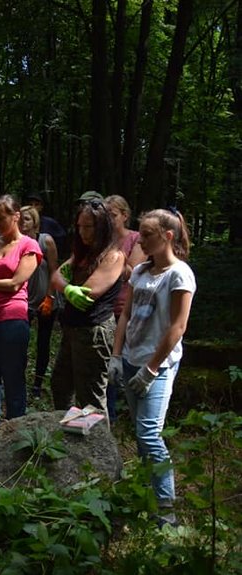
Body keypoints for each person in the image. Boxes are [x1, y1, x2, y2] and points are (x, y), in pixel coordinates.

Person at [111, 209, 195, 527]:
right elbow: (125, 315)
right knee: (141, 433)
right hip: (132, 358)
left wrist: (152, 369)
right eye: (142, 234)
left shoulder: (179, 274)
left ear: (168, 236)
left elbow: (178, 326)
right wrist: (117, 357)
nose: (141, 240)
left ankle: (166, 511)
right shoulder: (141, 271)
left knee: (149, 433)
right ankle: (145, 496)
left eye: (147, 235)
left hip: (157, 365)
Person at [49, 200, 124, 415]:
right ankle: (69, 434)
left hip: (94, 332)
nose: (82, 232)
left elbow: (89, 293)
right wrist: (68, 288)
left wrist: (66, 287)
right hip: (72, 328)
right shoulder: (81, 254)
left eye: (88, 226)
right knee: (60, 385)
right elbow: (56, 276)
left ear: (101, 227)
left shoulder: (113, 256)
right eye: (79, 226)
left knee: (90, 398)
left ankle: (98, 446)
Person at [0, 195, 41, 432]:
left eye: (2, 218)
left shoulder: (29, 246)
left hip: (13, 317)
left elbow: (15, 283)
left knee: (13, 376)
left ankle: (16, 429)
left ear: (16, 216)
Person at [105, 194, 147, 419]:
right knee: (107, 361)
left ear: (125, 216)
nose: (109, 220)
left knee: (126, 357)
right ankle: (109, 413)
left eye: (112, 215)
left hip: (125, 307)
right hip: (103, 308)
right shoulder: (102, 239)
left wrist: (106, 265)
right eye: (106, 215)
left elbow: (131, 271)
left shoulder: (136, 238)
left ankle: (133, 411)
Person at [18, 205, 59, 398]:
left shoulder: (46, 241)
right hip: (24, 301)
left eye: (26, 219)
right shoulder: (16, 242)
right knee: (21, 343)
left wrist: (50, 297)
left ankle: (38, 384)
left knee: (43, 343)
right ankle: (20, 380)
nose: (22, 223)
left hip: (45, 299)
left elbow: (54, 271)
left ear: (34, 221)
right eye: (19, 219)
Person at [24, 191, 67, 258]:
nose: (33, 207)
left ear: (41, 207)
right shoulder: (21, 223)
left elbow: (62, 239)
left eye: (36, 204)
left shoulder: (49, 223)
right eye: (30, 204)